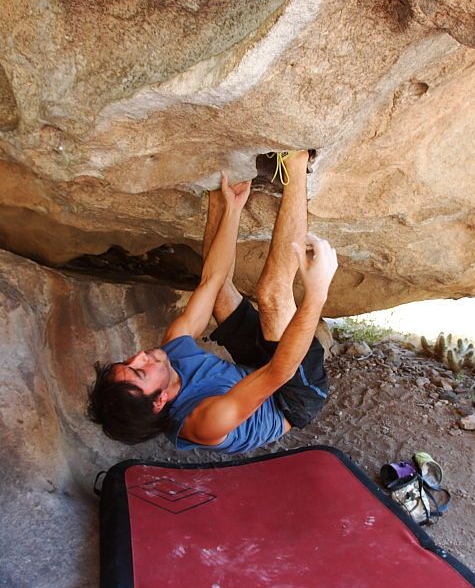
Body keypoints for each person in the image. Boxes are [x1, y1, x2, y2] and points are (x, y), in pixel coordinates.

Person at [88, 150, 337, 453]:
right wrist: (317, 292)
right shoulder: (204, 422)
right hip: (287, 398)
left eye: (128, 361)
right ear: (159, 401)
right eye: (140, 371)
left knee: (216, 294)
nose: (140, 355)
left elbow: (211, 280)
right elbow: (279, 373)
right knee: (271, 293)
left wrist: (231, 211)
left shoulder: (170, 353)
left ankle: (221, 190)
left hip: (252, 372)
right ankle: (296, 163)